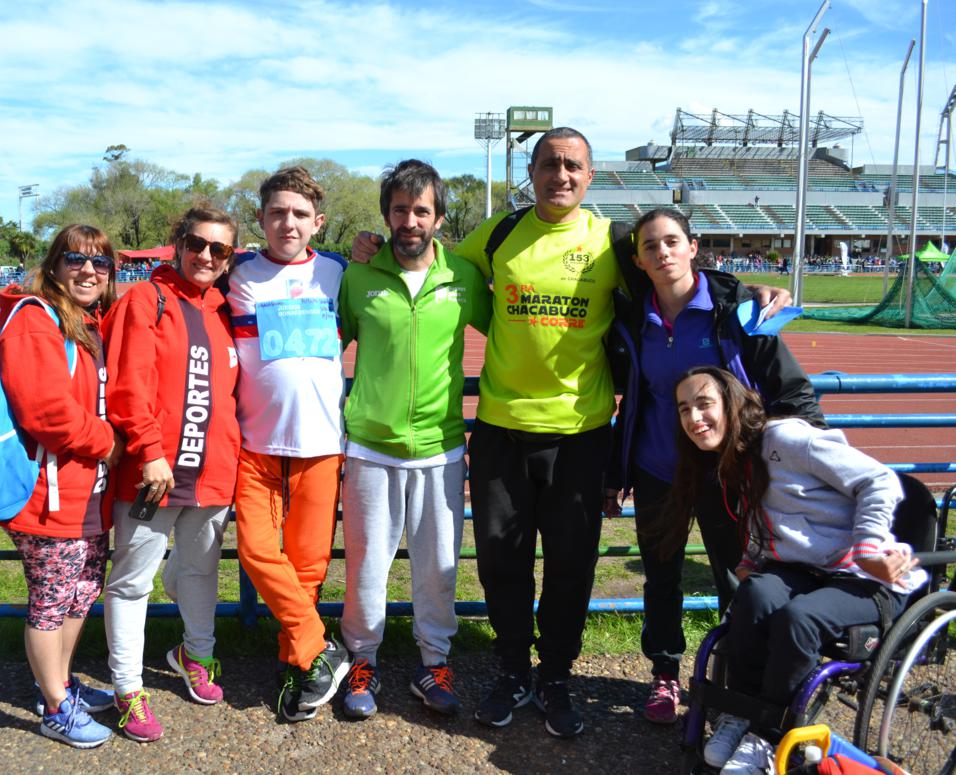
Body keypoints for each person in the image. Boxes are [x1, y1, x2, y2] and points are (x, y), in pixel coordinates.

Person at [351, 126, 790, 739]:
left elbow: (675, 276)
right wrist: (372, 246)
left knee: (570, 566)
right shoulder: (496, 234)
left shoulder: (613, 241)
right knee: (501, 564)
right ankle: (511, 671)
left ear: (589, 176)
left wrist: (745, 290)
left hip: (581, 435)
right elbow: (424, 255)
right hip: (502, 429)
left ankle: (555, 675)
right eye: (549, 165)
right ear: (531, 174)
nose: (561, 175)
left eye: (573, 166)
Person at [604, 208, 823, 725]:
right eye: (650, 246)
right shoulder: (631, 318)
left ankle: (734, 680)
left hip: (728, 472)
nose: (662, 252)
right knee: (661, 578)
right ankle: (664, 674)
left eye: (672, 241)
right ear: (638, 260)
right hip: (658, 470)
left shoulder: (739, 310)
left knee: (737, 579)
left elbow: (791, 389)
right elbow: (630, 400)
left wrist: (811, 455)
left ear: (693, 247)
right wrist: (616, 475)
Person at [669, 367, 925, 773]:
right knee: (753, 594)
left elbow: (878, 480)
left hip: (866, 575)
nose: (694, 418)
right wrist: (752, 562)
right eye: (684, 409)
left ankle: (768, 737)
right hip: (807, 570)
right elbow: (773, 516)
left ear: (731, 404)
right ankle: (741, 713)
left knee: (798, 619)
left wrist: (868, 548)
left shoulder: (786, 440)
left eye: (704, 404)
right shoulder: (733, 459)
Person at [337, 160, 491, 719]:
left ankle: (435, 664)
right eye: (400, 210)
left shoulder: (463, 278)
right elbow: (325, 344)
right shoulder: (358, 276)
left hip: (441, 447)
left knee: (437, 567)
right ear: (386, 216)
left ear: (439, 218)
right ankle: (362, 660)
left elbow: (510, 333)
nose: (410, 221)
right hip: (370, 448)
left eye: (421, 210)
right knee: (366, 566)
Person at [101, 206, 241, 742]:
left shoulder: (225, 309)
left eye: (219, 249)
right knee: (132, 582)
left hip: (212, 473)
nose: (206, 256)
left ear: (229, 257)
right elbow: (127, 385)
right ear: (178, 243)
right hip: (153, 473)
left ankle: (196, 656)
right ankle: (127, 688)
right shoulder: (146, 299)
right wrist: (149, 449)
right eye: (197, 243)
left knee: (200, 573)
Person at [227, 166, 350, 722]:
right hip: (256, 444)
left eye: (300, 214)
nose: (288, 223)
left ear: (317, 222)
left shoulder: (339, 272)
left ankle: (299, 663)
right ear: (261, 218)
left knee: (307, 567)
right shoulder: (236, 274)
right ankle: (321, 649)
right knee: (256, 551)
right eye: (277, 212)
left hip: (321, 443)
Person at [0, 224, 122, 749]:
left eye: (100, 262)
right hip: (46, 496)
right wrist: (109, 442)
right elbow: (46, 412)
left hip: (83, 491)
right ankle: (53, 707)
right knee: (51, 601)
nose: (89, 271)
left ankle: (62, 685)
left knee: (81, 593)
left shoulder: (83, 322)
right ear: (53, 265)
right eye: (76, 259)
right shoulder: (35, 319)